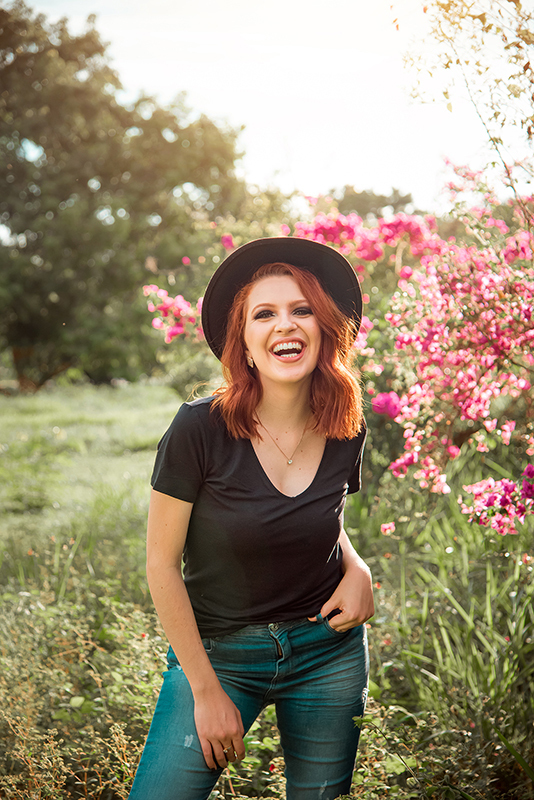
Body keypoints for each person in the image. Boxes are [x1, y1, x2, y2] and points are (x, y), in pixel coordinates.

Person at [128, 237, 375, 800]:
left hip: (327, 651)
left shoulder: (345, 420)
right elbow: (161, 566)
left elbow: (321, 518)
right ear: (244, 338)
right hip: (220, 654)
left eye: (301, 309)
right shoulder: (199, 428)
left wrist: (357, 569)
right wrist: (205, 690)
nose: (284, 326)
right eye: (264, 313)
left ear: (324, 325)